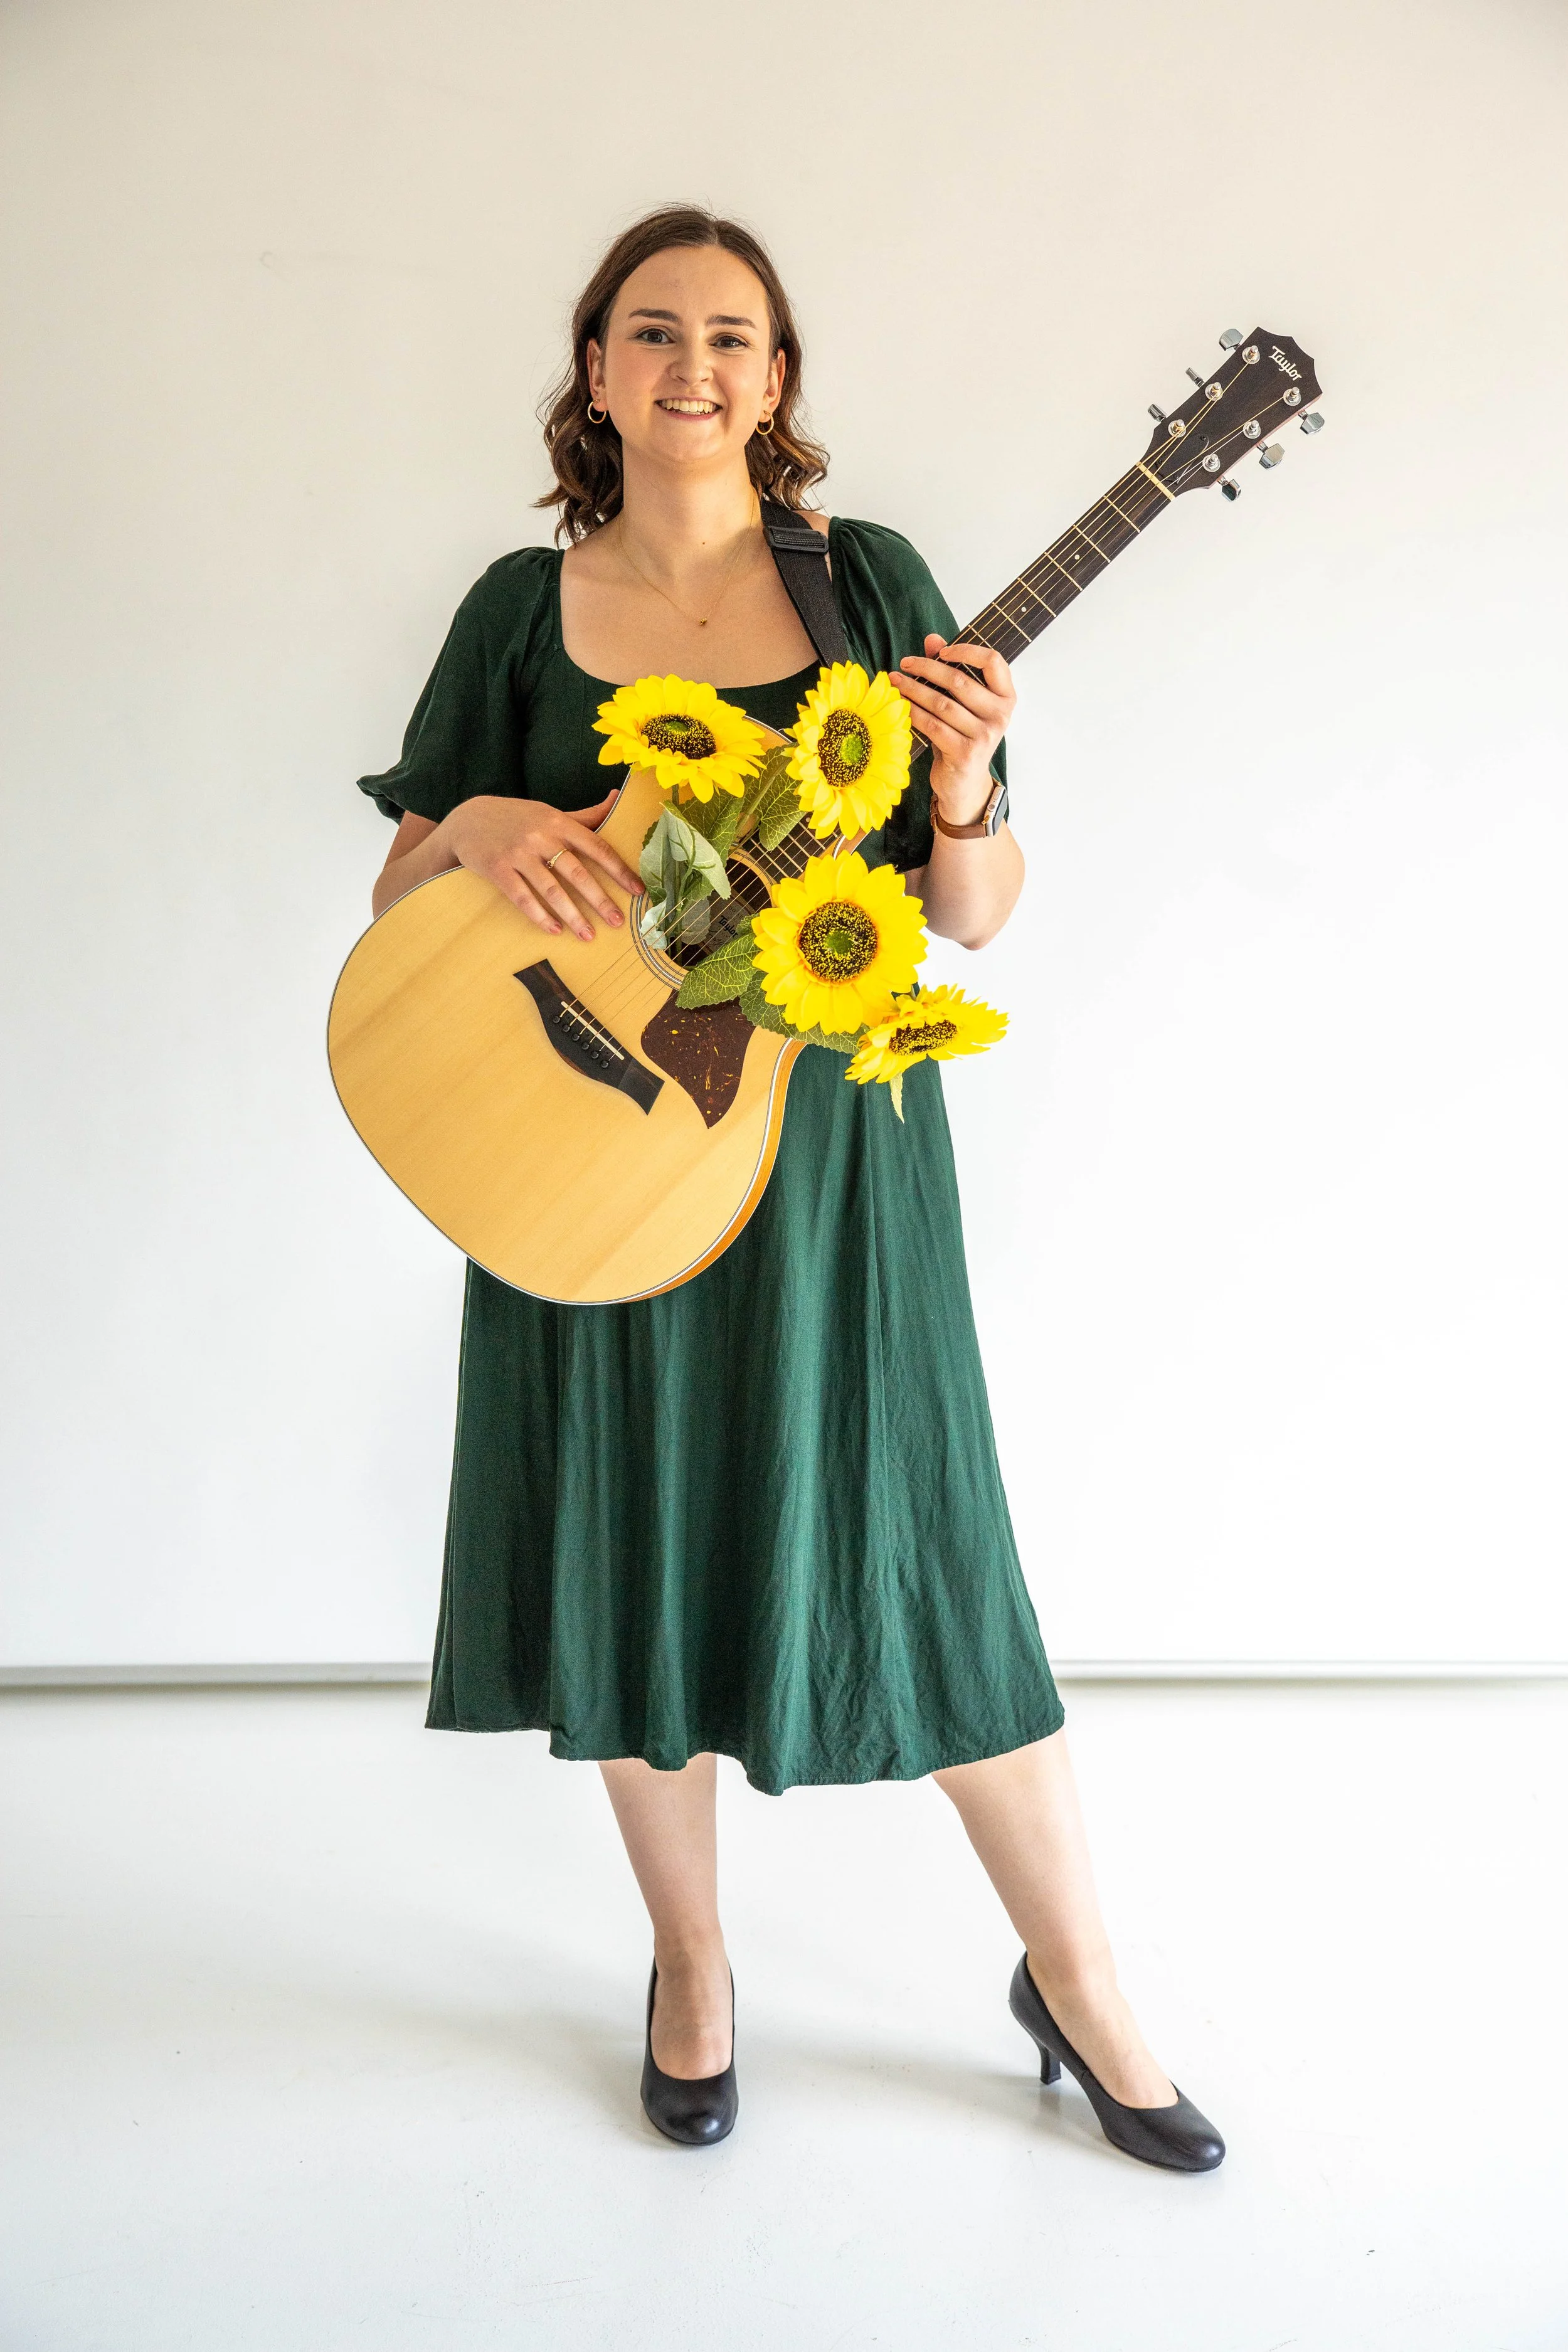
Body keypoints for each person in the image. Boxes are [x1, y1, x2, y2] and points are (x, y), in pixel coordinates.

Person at [356, 205, 1222, 2171]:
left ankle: (1076, 1981)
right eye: (651, 332)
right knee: (638, 1537)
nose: (693, 365)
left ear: (777, 379)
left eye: (733, 337)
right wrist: (488, 819)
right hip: (583, 1153)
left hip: (830, 1152)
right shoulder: (518, 605)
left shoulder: (871, 584)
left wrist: (970, 785)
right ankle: (690, 1962)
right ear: (593, 368)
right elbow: (400, 884)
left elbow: (976, 916)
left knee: (927, 1544)